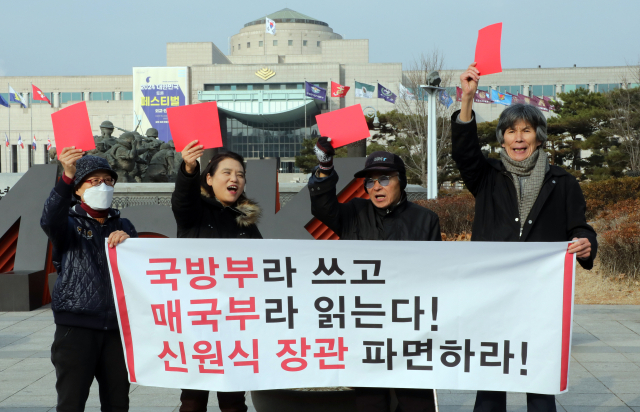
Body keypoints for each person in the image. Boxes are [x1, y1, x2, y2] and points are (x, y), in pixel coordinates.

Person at [453, 63, 597, 412]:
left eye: (527, 131)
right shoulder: (486, 175)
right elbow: (464, 152)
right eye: (511, 131)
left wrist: (585, 243)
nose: (519, 138)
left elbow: (579, 226)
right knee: (489, 383)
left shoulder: (562, 182)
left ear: (539, 137)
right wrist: (468, 99)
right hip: (492, 294)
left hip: (539, 297)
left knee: (539, 384)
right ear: (501, 138)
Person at [308, 137, 441, 412]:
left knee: (418, 404)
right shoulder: (353, 213)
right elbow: (322, 206)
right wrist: (324, 167)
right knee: (370, 403)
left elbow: (437, 277)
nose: (376, 186)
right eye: (370, 181)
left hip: (410, 330)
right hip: (365, 329)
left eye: (384, 179)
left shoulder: (426, 220)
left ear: (401, 181)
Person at [40, 149, 138, 412]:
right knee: (71, 402)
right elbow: (49, 218)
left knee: (118, 403)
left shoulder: (125, 226)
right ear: (79, 189)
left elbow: (140, 271)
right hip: (76, 328)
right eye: (94, 181)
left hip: (117, 330)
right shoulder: (68, 225)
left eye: (108, 180)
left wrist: (131, 245)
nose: (102, 186)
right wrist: (67, 174)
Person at [172, 141, 262, 412]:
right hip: (198, 320)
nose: (235, 178)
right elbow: (183, 198)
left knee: (234, 400)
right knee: (192, 399)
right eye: (227, 173)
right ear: (209, 179)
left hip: (235, 323)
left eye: (240, 174)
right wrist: (189, 168)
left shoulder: (247, 224)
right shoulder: (194, 213)